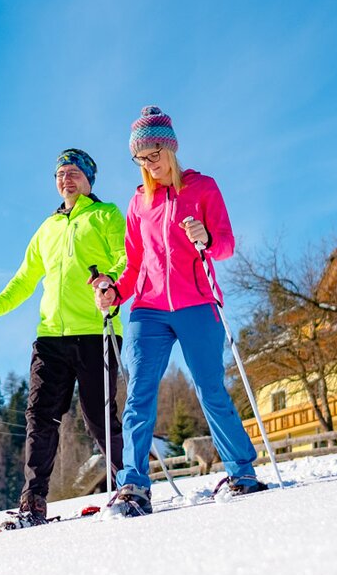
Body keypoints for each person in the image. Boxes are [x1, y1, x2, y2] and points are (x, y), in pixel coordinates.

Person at [93, 107, 266, 515]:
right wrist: (115, 290)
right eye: (140, 159)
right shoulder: (139, 204)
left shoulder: (203, 188)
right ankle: (134, 485)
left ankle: (242, 471)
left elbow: (225, 245)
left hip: (197, 302)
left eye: (153, 154)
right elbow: (133, 264)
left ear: (170, 149)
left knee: (210, 388)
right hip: (149, 308)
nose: (148, 165)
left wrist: (205, 237)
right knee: (138, 394)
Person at [0, 149, 127, 525]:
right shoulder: (47, 228)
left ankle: (129, 484)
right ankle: (34, 500)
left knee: (98, 417)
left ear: (89, 178)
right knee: (40, 417)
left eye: (73, 172)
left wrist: (113, 286)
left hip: (96, 330)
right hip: (50, 337)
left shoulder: (106, 215)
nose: (65, 179)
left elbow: (126, 258)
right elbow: (25, 278)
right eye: (60, 174)